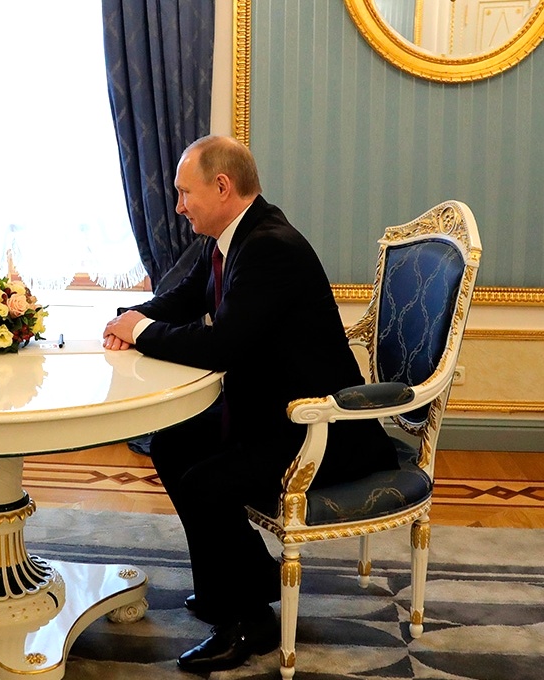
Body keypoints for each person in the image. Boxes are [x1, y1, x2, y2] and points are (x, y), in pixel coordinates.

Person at [103, 135, 397, 672]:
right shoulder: (230, 238)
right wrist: (128, 320)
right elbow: (184, 299)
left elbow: (223, 345)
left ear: (221, 186)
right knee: (172, 444)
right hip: (268, 412)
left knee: (205, 483)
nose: (178, 206)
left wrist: (141, 330)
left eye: (184, 192)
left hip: (322, 429)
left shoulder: (269, 246)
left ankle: (251, 621)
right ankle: (234, 587)